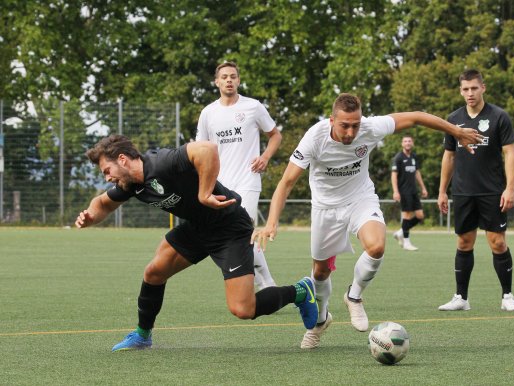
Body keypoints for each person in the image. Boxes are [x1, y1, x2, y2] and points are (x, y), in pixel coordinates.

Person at [253, 93, 482, 349]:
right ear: (331, 120)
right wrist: (272, 221)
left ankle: (354, 296)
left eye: (356, 124)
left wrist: (456, 132)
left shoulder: (371, 128)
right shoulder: (314, 138)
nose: (351, 131)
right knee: (320, 272)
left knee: (376, 247)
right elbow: (286, 182)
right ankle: (320, 321)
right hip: (325, 209)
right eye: (344, 125)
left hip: (360, 199)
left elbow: (416, 117)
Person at [74, 135, 318, 352]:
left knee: (243, 308)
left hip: (228, 227)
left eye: (107, 170)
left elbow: (207, 149)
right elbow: (102, 202)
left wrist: (204, 192)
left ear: (123, 159)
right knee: (154, 272)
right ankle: (142, 335)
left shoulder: (162, 163)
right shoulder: (131, 184)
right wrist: (90, 217)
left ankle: (299, 291)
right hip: (197, 228)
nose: (108, 178)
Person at [437, 69, 514, 312]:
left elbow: (510, 153)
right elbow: (449, 156)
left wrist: (510, 188)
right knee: (464, 242)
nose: (470, 93)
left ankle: (507, 296)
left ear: (483, 87)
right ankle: (461, 298)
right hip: (463, 192)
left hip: (492, 191)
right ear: (460, 90)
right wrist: (442, 191)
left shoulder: (499, 117)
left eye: (474, 88)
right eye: (465, 89)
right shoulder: (453, 119)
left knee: (497, 243)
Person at [196, 61, 282, 290]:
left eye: (233, 76)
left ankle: (265, 285)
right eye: (224, 77)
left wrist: (264, 157)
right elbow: (200, 150)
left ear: (239, 80)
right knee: (235, 235)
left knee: (244, 231)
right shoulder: (208, 113)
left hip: (248, 181)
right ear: (217, 82)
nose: (229, 80)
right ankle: (267, 283)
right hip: (220, 185)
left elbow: (275, 135)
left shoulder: (253, 107)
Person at [391, 135, 428, 251]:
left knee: (420, 216)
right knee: (406, 216)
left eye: (409, 141)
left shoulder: (413, 157)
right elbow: (394, 176)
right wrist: (396, 191)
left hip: (413, 191)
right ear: (402, 144)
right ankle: (406, 243)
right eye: (405, 141)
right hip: (404, 191)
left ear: (412, 143)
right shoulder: (398, 158)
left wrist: (423, 188)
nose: (407, 143)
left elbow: (417, 172)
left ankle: (400, 232)